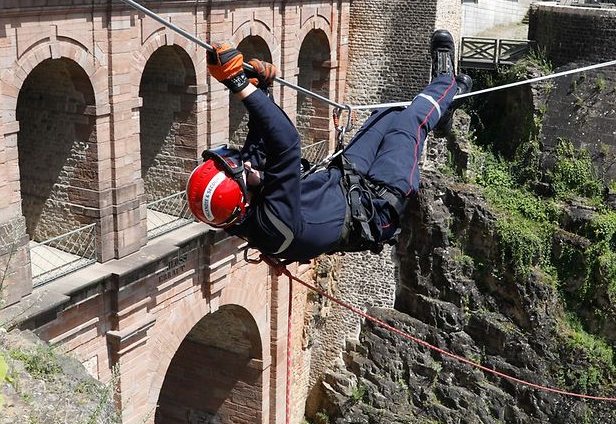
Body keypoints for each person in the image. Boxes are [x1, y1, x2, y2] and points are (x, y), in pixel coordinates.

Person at [185, 30, 471, 264]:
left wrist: (260, 89)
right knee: (411, 121)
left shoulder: (238, 206)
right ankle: (447, 82)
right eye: (240, 169)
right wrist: (237, 84)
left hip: (348, 182)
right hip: (379, 204)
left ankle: (442, 109)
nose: (245, 164)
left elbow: (261, 143)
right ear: (241, 197)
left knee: (389, 112)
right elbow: (285, 143)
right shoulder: (273, 223)